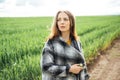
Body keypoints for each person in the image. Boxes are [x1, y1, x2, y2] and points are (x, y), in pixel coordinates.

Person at [41, 10, 89, 80]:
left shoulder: (77, 42)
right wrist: (68, 69)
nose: (62, 22)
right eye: (59, 20)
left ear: (71, 23)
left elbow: (82, 65)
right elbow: (46, 67)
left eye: (65, 19)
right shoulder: (51, 43)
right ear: (56, 23)